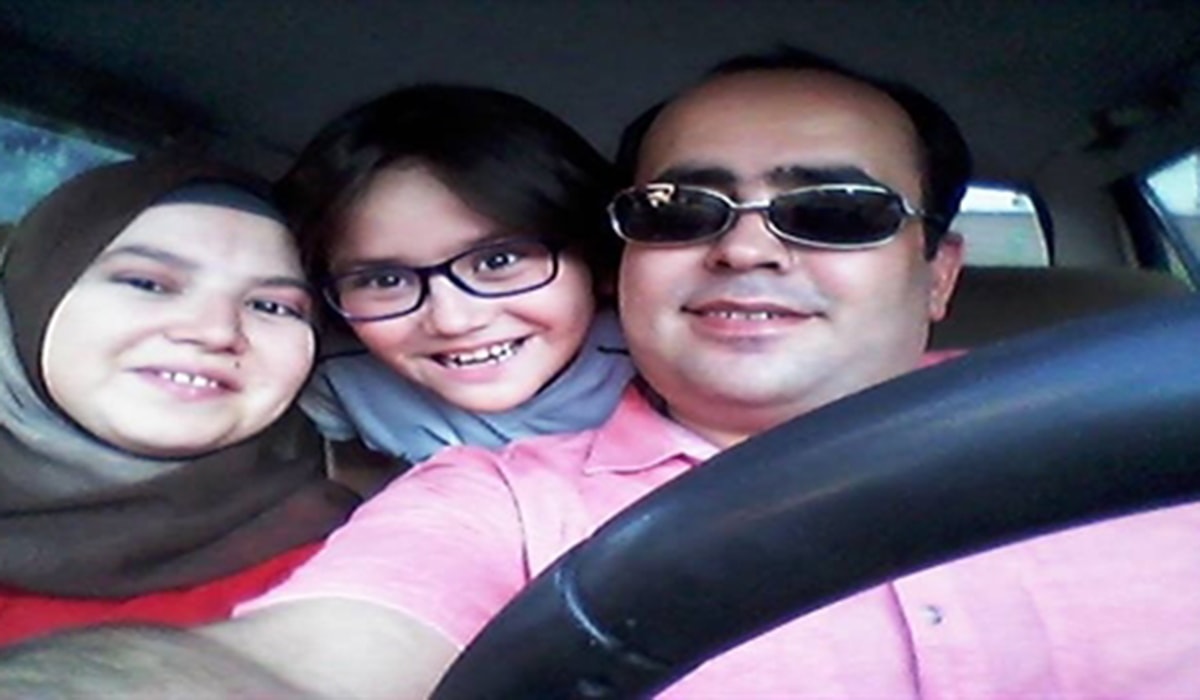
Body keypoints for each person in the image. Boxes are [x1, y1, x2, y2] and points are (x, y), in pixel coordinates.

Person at [5, 48, 1199, 699]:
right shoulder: (489, 500)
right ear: (631, 254)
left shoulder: (1156, 433)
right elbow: (312, 655)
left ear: (937, 271)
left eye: (834, 209)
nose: (746, 247)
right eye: (683, 210)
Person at [0, 156, 358, 646]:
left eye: (271, 306)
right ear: (29, 293)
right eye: (147, 284)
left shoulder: (351, 569)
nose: (215, 331)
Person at [276, 84, 633, 489]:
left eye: (498, 261)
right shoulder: (339, 377)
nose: (453, 321)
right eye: (385, 280)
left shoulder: (652, 360)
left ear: (596, 255)